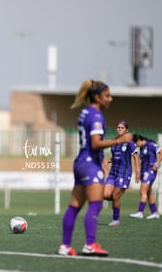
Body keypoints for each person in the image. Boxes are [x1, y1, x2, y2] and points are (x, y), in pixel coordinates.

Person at [57, 79, 132, 257]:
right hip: (89, 164)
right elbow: (96, 143)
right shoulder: (96, 116)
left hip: (81, 162)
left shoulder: (84, 113)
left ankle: (65, 246)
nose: (110, 99)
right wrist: (118, 140)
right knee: (96, 204)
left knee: (74, 207)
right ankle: (90, 244)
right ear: (97, 97)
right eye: (107, 96)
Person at [103, 121, 140, 226]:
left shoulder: (129, 142)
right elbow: (116, 157)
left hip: (123, 173)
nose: (119, 129)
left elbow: (136, 156)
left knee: (115, 196)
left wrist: (137, 171)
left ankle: (116, 219)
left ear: (126, 130)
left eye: (122, 128)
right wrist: (108, 161)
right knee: (105, 194)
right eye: (118, 127)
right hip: (113, 173)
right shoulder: (114, 142)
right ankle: (116, 201)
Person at [129, 134, 161, 220]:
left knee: (142, 190)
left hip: (150, 171)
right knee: (148, 192)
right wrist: (138, 173)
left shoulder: (151, 145)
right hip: (144, 172)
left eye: (136, 143)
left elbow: (161, 152)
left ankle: (140, 212)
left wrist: (157, 164)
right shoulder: (142, 148)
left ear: (139, 140)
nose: (136, 145)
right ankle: (155, 212)